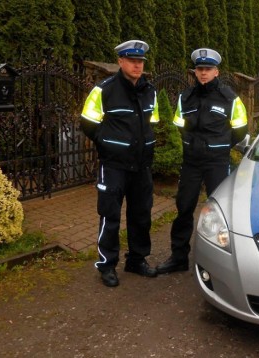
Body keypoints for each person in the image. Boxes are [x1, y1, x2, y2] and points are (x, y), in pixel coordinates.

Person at [156, 48, 248, 274]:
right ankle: (178, 258)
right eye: (200, 69)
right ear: (195, 72)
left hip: (217, 163)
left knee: (219, 213)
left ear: (216, 72)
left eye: (208, 69)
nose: (203, 73)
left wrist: (220, 146)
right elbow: (179, 125)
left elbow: (240, 130)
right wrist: (191, 145)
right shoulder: (185, 97)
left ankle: (220, 263)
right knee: (184, 208)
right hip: (191, 163)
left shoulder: (229, 98)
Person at [80, 40, 160, 287]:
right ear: (121, 62)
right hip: (114, 166)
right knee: (110, 216)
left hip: (141, 167)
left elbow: (152, 122)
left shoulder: (150, 90)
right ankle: (107, 265)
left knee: (141, 215)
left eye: (140, 62)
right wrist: (108, 144)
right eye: (132, 61)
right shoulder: (104, 90)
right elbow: (88, 123)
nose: (137, 65)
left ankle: (137, 260)